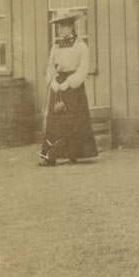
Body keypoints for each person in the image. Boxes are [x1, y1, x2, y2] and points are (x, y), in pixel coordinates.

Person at [39, 11, 98, 165]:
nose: (61, 30)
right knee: (54, 120)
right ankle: (51, 156)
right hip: (57, 86)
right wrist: (53, 82)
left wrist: (69, 83)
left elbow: (83, 69)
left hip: (73, 88)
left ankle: (74, 152)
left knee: (73, 120)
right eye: (59, 28)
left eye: (65, 27)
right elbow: (50, 66)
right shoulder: (56, 46)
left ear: (72, 28)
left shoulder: (81, 46)